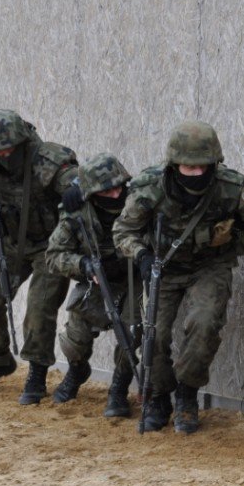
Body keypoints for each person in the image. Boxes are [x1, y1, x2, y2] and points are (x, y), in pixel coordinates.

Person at [113, 121, 244, 434]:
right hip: (162, 267)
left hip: (209, 267)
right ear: (173, 164)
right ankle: (157, 396)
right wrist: (140, 255)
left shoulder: (231, 186)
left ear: (214, 164)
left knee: (204, 325)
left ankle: (186, 394)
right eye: (187, 167)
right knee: (153, 333)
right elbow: (124, 230)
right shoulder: (151, 186)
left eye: (202, 167)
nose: (194, 173)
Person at [0, 109, 79, 404]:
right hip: (11, 244)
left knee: (39, 311)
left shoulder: (47, 160)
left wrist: (75, 191)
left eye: (9, 149)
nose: (3, 155)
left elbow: (75, 182)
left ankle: (37, 374)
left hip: (50, 246)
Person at [45, 152, 141, 416]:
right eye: (106, 191)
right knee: (75, 338)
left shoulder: (138, 202)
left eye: (119, 187)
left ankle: (119, 388)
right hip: (97, 281)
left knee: (131, 333)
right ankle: (77, 371)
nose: (115, 195)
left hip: (134, 279)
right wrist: (83, 266)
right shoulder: (77, 213)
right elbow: (54, 255)